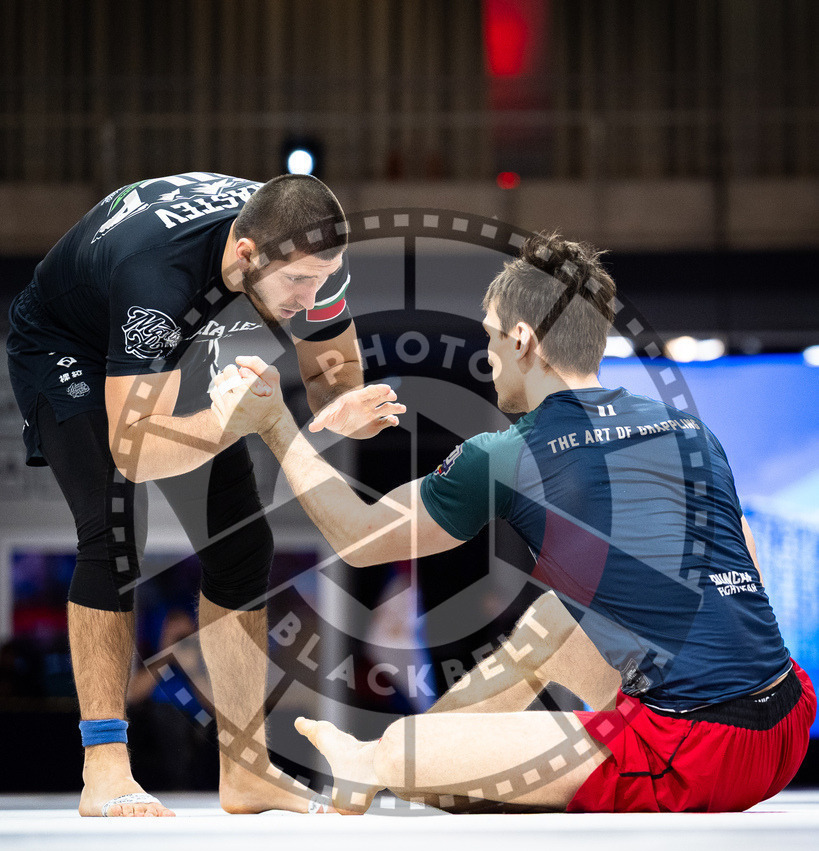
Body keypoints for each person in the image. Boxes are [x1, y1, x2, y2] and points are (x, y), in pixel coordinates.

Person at [209, 230, 816, 814]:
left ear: (523, 340)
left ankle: (389, 764)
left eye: (492, 338)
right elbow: (744, 559)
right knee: (553, 620)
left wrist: (275, 425)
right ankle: (428, 761)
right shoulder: (688, 430)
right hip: (787, 720)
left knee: (399, 753)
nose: (488, 355)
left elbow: (359, 539)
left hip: (699, 752)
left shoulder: (509, 455)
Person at [5, 171, 405, 817]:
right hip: (65, 345)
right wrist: (231, 421)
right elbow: (134, 455)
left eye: (322, 279)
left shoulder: (310, 257)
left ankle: (246, 770)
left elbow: (331, 369)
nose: (311, 295)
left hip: (176, 347)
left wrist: (342, 407)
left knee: (243, 547)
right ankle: (104, 764)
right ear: (246, 253)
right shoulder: (154, 280)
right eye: (296, 282)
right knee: (111, 533)